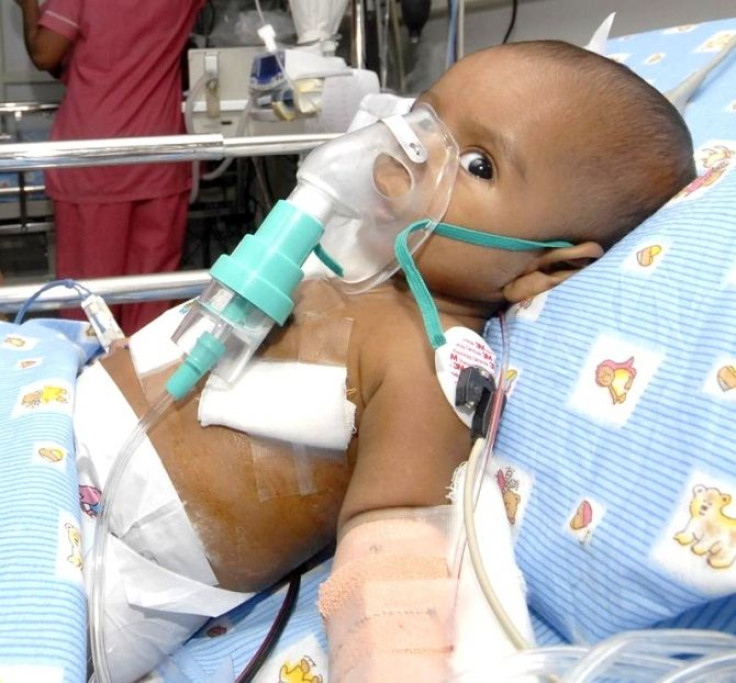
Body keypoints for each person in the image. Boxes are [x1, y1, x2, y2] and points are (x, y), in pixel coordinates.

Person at [73, 40, 695, 682]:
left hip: (109, 559)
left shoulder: (426, 364)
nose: (413, 151)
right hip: (60, 441)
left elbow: (392, 567)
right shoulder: (351, 263)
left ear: (549, 265)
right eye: (427, 115)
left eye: (478, 165)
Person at [15, 0, 204, 335]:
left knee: (89, 302)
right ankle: (145, 381)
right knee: (151, 302)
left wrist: (28, 5)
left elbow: (46, 53)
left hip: (95, 159)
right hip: (157, 156)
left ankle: (93, 377)